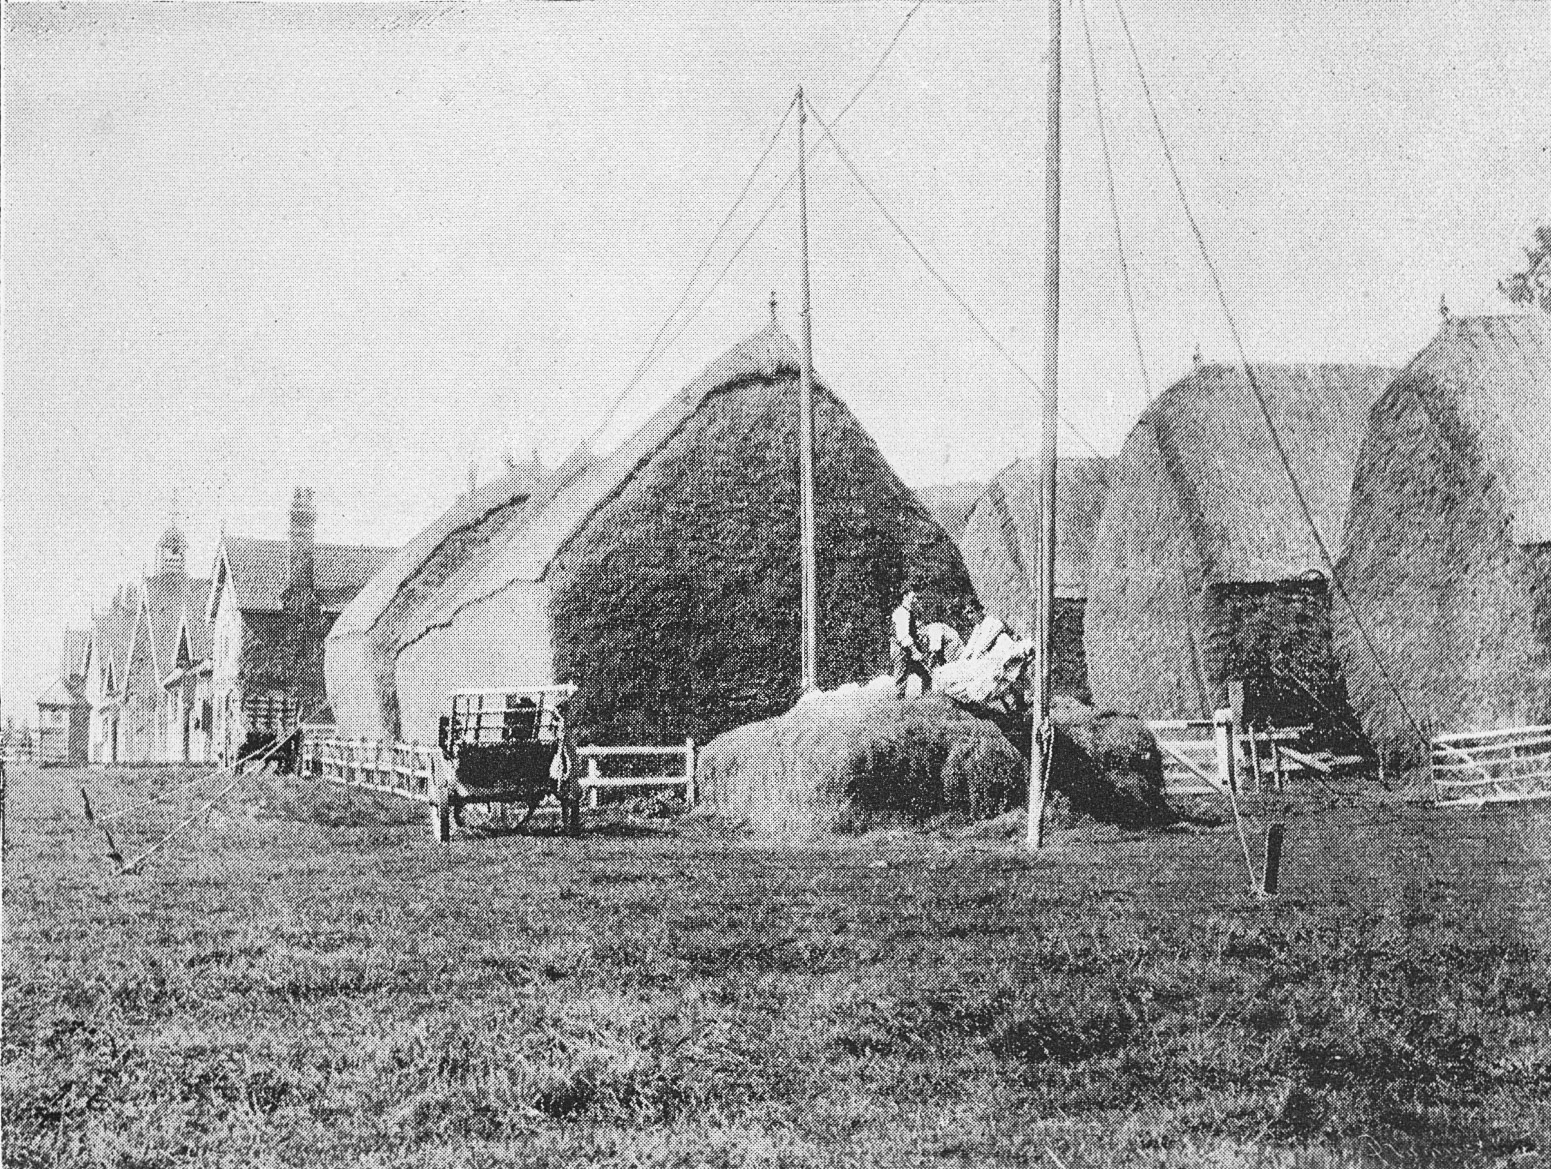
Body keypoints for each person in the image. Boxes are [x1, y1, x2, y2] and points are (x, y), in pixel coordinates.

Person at [890, 586, 932, 698]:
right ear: (905, 597)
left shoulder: (909, 613)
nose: (915, 600)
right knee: (901, 679)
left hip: (908, 650)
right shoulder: (901, 613)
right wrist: (915, 652)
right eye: (913, 597)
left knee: (925, 674)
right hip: (901, 651)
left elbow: (915, 631)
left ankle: (926, 698)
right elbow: (903, 636)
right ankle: (899, 705)